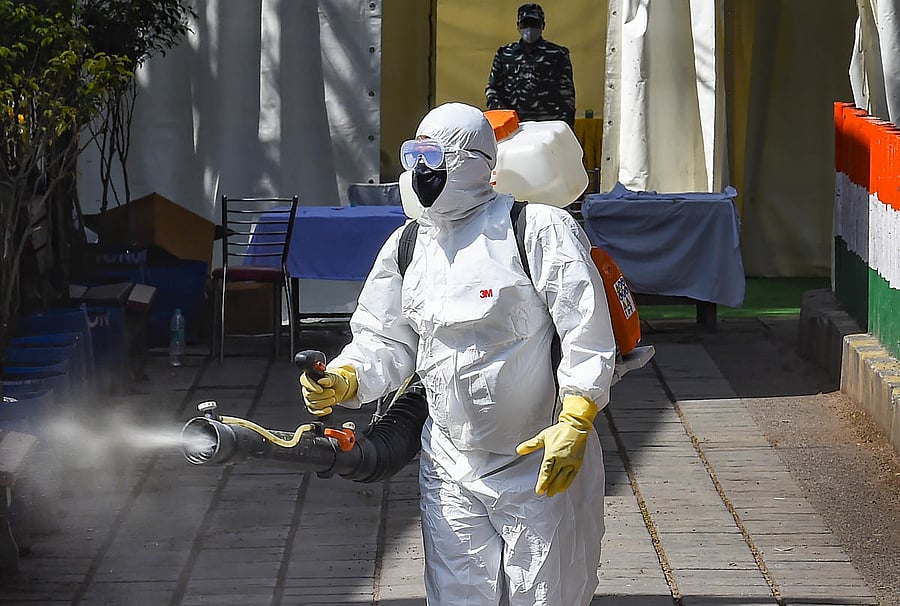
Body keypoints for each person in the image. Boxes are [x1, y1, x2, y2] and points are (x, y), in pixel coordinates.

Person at [300, 102, 616, 605]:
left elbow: (587, 328)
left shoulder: (536, 229)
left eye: (433, 158)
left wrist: (577, 417)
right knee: (456, 596)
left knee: (544, 595)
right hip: (449, 459)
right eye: (413, 158)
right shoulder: (408, 244)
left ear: (473, 162)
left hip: (537, 458)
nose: (422, 172)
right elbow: (384, 338)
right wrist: (346, 377)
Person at [485, 3, 576, 127]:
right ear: (518, 26)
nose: (529, 28)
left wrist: (565, 125)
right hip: (513, 124)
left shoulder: (557, 54)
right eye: (525, 24)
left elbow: (566, 94)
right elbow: (493, 89)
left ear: (543, 25)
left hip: (548, 123)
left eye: (534, 24)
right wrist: (501, 113)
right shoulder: (505, 54)